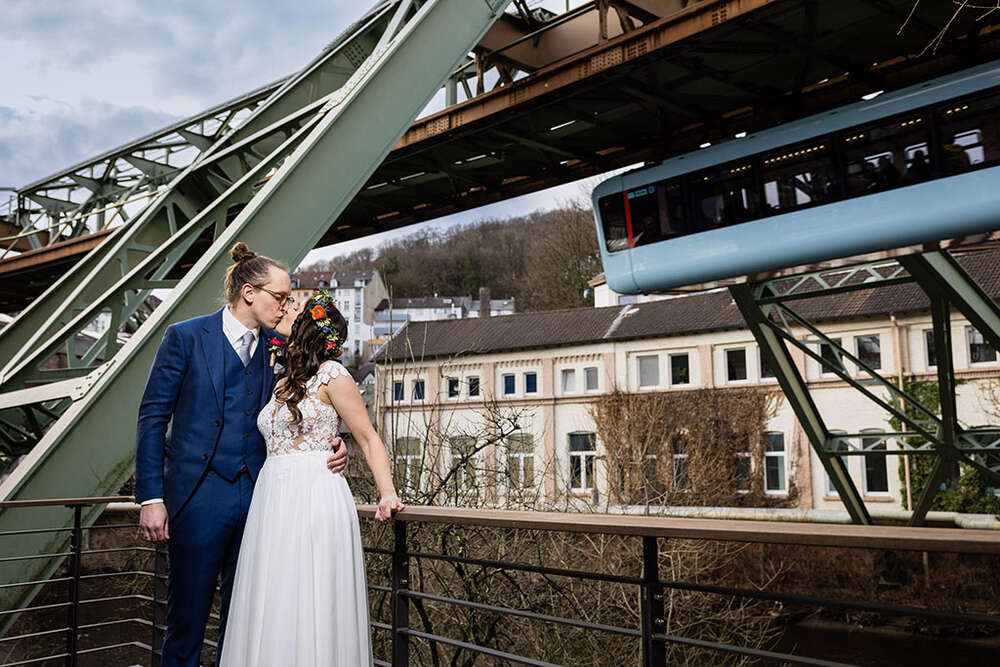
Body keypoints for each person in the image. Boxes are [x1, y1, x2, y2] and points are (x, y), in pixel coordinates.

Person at [135, 242, 349, 667]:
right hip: (197, 500)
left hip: (262, 503)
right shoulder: (186, 337)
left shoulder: (284, 347)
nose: (288, 306)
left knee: (248, 625)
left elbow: (318, 395)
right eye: (281, 297)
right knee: (186, 625)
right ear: (249, 292)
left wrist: (335, 438)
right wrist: (151, 497)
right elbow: (152, 418)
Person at [219, 289, 404, 666]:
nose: (287, 309)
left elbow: (368, 438)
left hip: (314, 498)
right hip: (272, 504)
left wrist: (387, 493)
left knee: (310, 596)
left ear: (308, 328)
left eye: (296, 309)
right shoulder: (282, 383)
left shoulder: (334, 375)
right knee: (274, 600)